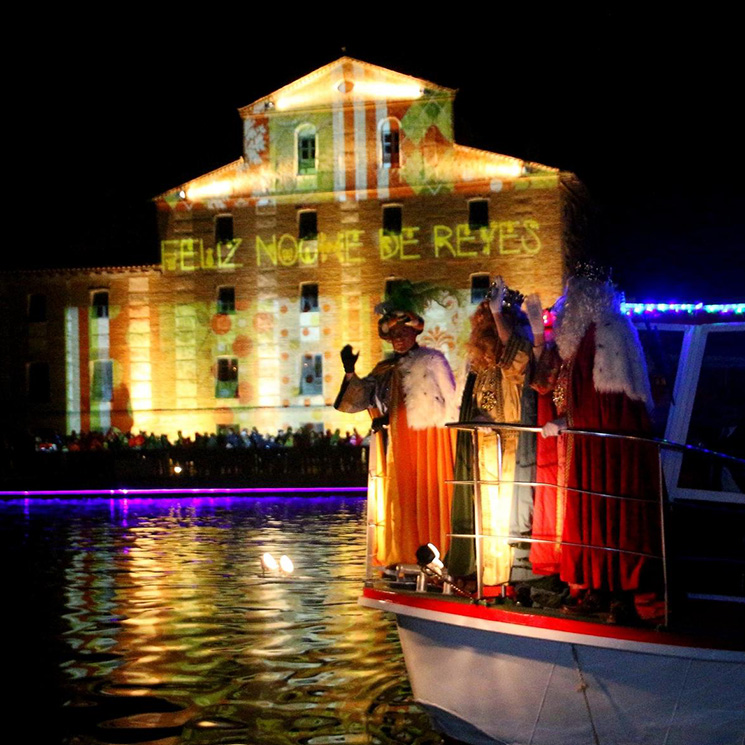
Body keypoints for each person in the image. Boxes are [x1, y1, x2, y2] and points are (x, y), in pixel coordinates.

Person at [538, 266, 662, 617]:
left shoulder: (607, 331)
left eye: (572, 296)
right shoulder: (580, 339)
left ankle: (616, 589)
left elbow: (609, 403)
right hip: (587, 445)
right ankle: (594, 583)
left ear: (587, 299)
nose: (564, 304)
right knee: (592, 510)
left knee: (610, 507)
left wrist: (569, 422)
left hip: (606, 448)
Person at [334, 282, 457, 567]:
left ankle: (434, 547)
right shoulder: (384, 368)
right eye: (394, 335)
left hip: (424, 444)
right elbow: (359, 400)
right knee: (399, 500)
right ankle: (403, 549)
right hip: (393, 442)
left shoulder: (431, 361)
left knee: (425, 493)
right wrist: (350, 372)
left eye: (403, 333)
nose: (399, 339)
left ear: (415, 332)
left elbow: (447, 406)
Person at [448, 277, 533, 587]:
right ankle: (487, 576)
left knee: (506, 514)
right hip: (484, 448)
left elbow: (519, 360)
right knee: (486, 516)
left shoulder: (519, 354)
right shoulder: (480, 368)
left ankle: (507, 578)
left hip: (510, 447)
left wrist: (500, 315)